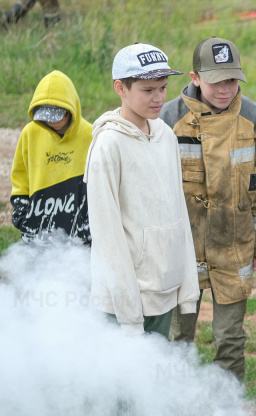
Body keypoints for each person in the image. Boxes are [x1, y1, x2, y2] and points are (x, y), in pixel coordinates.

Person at [161, 37, 256, 382]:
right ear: (195, 77)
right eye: (216, 81)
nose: (225, 89)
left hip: (235, 247)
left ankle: (226, 414)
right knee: (176, 338)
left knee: (229, 339)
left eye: (232, 80)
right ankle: (170, 405)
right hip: (181, 251)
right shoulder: (167, 119)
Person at [85, 43, 199, 337]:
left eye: (162, 87)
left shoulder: (167, 136)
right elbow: (107, 234)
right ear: (120, 87)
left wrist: (187, 289)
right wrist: (129, 311)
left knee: (152, 380)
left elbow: (178, 214)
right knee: (119, 382)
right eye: (148, 90)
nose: (159, 97)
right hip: (121, 303)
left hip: (162, 291)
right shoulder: (108, 145)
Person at [10, 70, 92, 244]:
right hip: (38, 234)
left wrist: (90, 223)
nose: (52, 121)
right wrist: (22, 213)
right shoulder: (30, 133)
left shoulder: (91, 135)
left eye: (57, 115)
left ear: (72, 109)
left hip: (80, 236)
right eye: (46, 115)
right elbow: (20, 176)